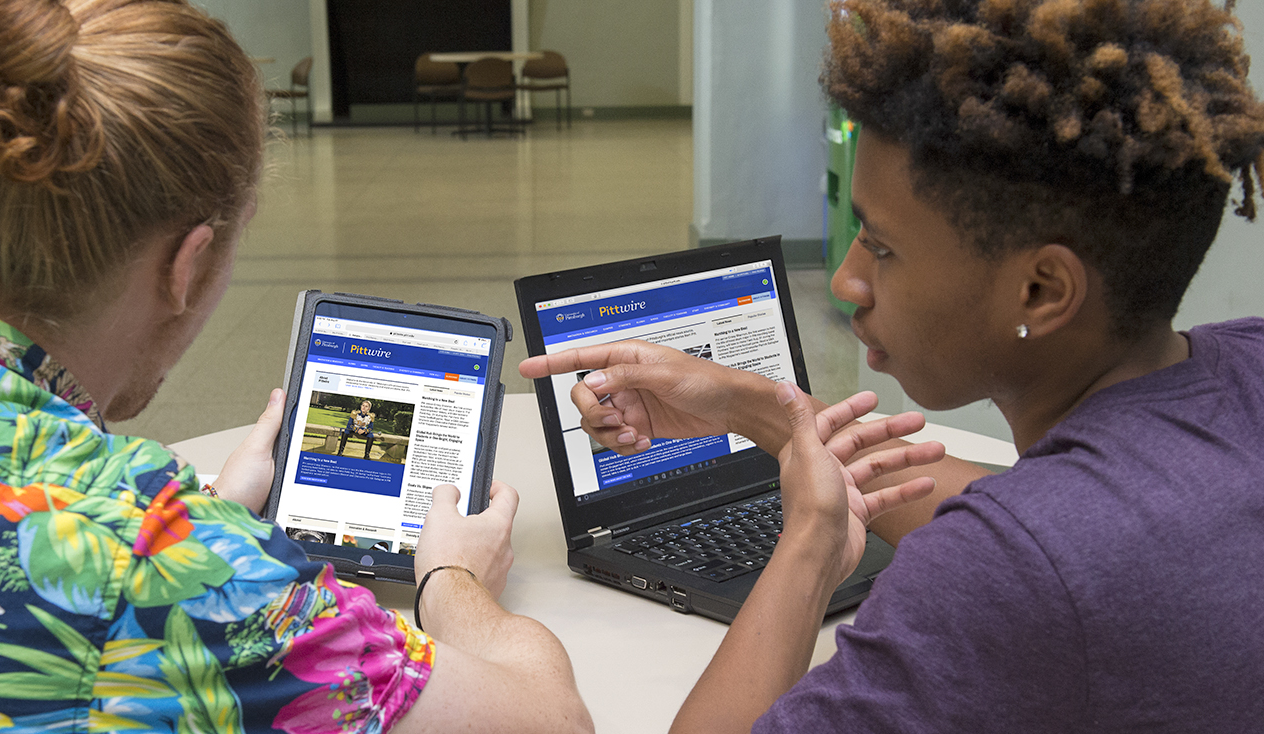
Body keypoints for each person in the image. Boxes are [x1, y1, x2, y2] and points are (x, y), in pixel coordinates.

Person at [522, 0, 1264, 731]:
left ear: (1040, 291)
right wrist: (746, 406)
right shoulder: (1246, 370)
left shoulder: (1004, 575)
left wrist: (811, 546)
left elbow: (1030, 543)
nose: (846, 280)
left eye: (879, 246)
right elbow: (1053, 510)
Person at [0, 1, 591, 733]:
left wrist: (211, 507)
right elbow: (551, 719)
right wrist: (451, 578)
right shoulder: (188, 576)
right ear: (187, 264)